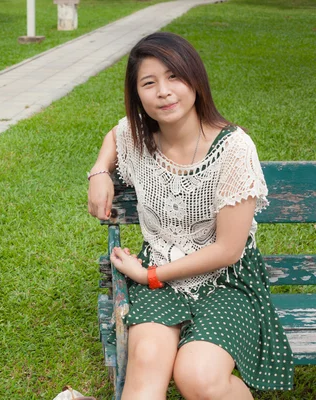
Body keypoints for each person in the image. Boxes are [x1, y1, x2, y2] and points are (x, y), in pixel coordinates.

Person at [87, 32, 294, 400]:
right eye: (148, 83)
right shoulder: (138, 139)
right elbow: (115, 137)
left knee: (197, 376)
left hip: (227, 283)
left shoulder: (232, 148)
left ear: (195, 80)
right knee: (146, 369)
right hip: (162, 280)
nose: (163, 91)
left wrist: (149, 274)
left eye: (174, 77)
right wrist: (100, 171)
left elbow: (228, 250)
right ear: (137, 95)